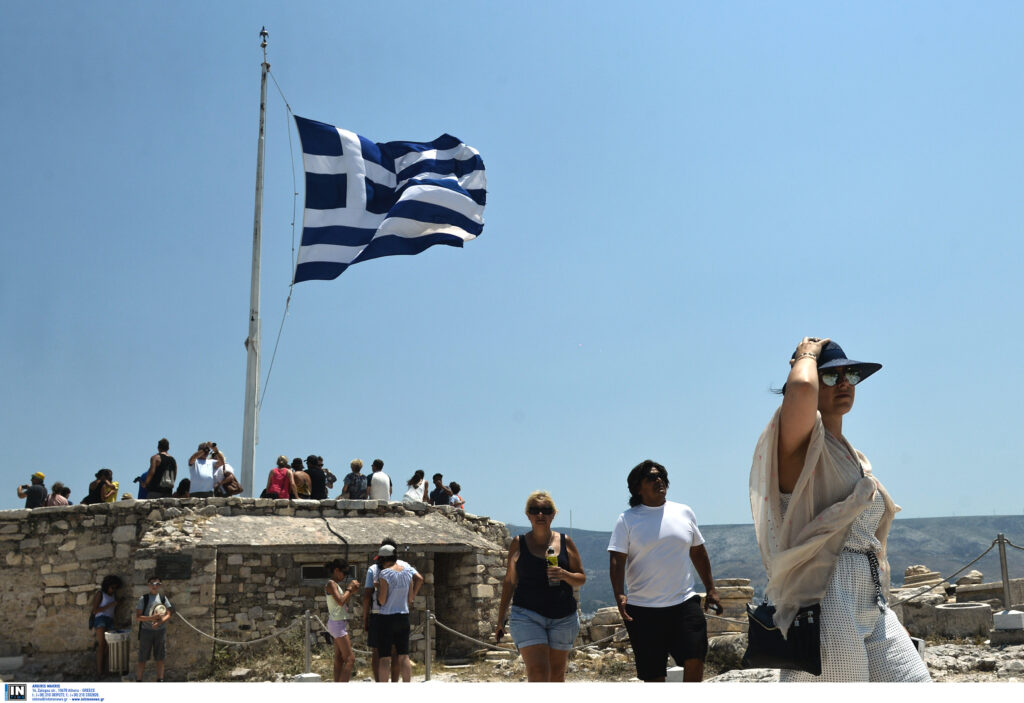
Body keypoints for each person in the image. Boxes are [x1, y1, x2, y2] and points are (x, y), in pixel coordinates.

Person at [750, 338, 931, 682]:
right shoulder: (796, 448)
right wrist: (805, 353)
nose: (845, 383)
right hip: (825, 597)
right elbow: (802, 386)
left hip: (870, 597)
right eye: (831, 376)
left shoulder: (853, 457)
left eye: (850, 375)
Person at [608, 459, 722, 683]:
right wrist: (619, 594)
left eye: (661, 475)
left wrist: (711, 588)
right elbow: (616, 559)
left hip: (684, 602)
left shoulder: (684, 512)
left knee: (695, 656)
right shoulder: (627, 519)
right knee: (654, 676)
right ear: (638, 488)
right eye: (651, 477)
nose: (658, 479)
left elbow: (698, 552)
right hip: (643, 609)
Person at [495, 491, 585, 681]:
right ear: (528, 514)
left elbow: (581, 578)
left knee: (556, 675)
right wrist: (500, 618)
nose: (540, 515)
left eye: (546, 510)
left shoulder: (565, 541)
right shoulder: (518, 543)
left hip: (563, 617)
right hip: (527, 615)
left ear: (553, 514)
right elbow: (510, 581)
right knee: (538, 672)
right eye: (535, 510)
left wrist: (564, 574)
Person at [374, 544, 423, 682]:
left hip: (386, 618)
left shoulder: (385, 573)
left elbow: (382, 600)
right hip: (403, 617)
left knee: (384, 658)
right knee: (404, 655)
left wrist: (377, 589)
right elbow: (410, 598)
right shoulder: (407, 571)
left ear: (384, 559)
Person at [363, 538, 408, 682]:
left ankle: (380, 683)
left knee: (379, 653)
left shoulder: (374, 569)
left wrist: (365, 618)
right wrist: (408, 601)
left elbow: (367, 595)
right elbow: (417, 579)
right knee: (397, 653)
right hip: (400, 612)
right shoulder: (404, 568)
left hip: (379, 614)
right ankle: (395, 682)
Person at [324, 558, 361, 681]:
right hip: (337, 624)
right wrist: (349, 589)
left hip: (337, 623)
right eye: (344, 573)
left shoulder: (335, 585)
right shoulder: (331, 584)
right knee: (350, 659)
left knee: (339, 658)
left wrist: (350, 592)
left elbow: (342, 602)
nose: (345, 576)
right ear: (336, 570)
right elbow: (340, 601)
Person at [135, 575, 174, 682]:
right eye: (152, 583)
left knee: (160, 657)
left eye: (157, 584)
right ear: (148, 585)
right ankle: (139, 680)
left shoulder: (162, 598)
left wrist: (160, 621)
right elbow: (138, 617)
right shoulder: (143, 599)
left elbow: (169, 613)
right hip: (146, 632)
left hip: (160, 632)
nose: (154, 586)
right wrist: (151, 618)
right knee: (142, 657)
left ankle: (160, 680)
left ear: (160, 586)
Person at [90, 574, 123, 678]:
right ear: (107, 585)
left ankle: (105, 669)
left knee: (110, 645)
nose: (113, 590)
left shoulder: (113, 595)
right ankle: (100, 672)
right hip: (101, 619)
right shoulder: (100, 594)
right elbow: (95, 610)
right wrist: (110, 605)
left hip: (110, 620)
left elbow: (115, 607)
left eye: (115, 588)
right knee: (101, 645)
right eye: (112, 587)